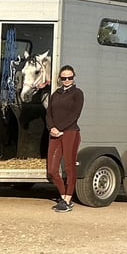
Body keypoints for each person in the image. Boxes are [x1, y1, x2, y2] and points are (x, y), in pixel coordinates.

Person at [46, 65, 84, 212]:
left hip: (70, 133)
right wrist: (52, 128)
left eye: (70, 77)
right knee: (52, 169)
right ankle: (63, 196)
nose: (67, 80)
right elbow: (49, 113)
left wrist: (60, 128)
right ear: (60, 79)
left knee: (69, 166)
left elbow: (75, 114)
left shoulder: (77, 94)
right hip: (55, 133)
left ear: (74, 78)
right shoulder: (55, 94)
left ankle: (68, 199)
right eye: (64, 78)